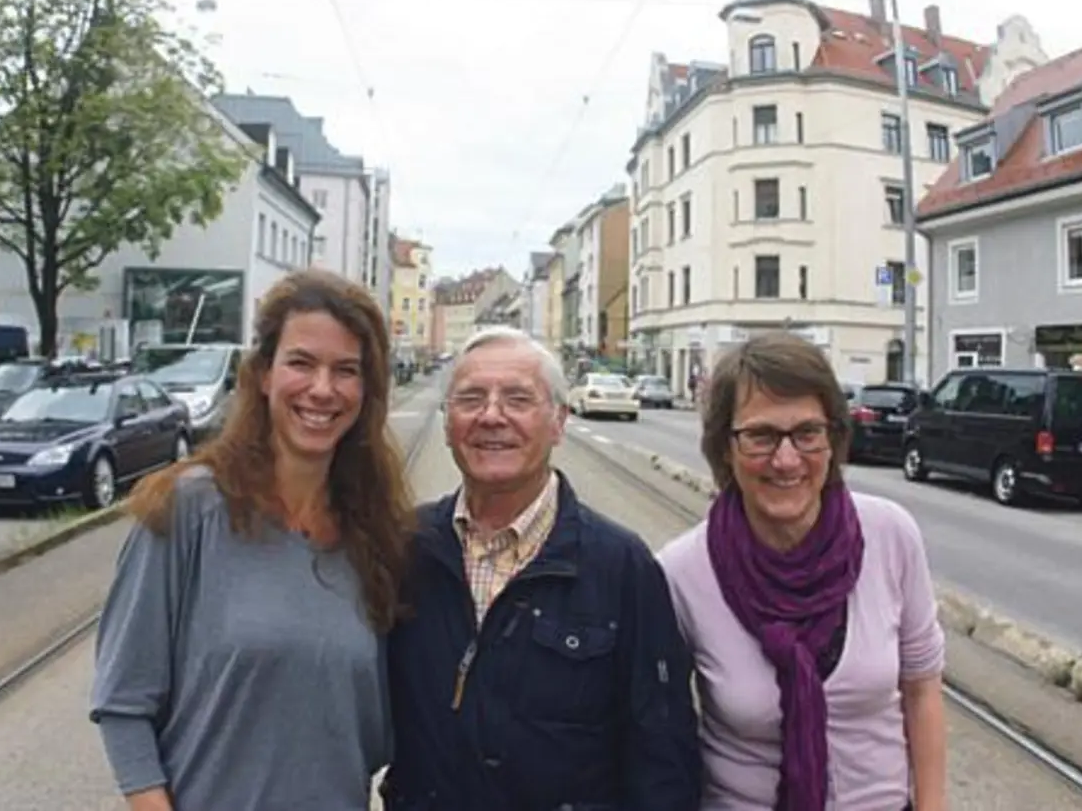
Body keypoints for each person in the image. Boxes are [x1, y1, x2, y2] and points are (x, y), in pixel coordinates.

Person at [89, 269, 414, 811]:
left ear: (366, 390)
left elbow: (375, 733)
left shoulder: (376, 535)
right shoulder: (186, 510)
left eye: (346, 370)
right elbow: (124, 706)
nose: (322, 389)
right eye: (302, 363)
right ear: (263, 374)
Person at [381, 326, 702, 811]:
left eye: (517, 398)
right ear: (447, 423)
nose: (492, 416)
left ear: (558, 421)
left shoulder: (621, 565)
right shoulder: (407, 549)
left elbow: (662, 757)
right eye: (471, 399)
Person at [656, 331, 947, 811]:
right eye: (760, 436)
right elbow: (661, 737)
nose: (787, 460)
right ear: (725, 448)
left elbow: (922, 691)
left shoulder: (891, 536)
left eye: (808, 433)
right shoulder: (681, 573)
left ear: (833, 440)